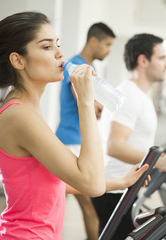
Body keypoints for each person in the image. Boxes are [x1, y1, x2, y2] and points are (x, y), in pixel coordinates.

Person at [0, 12, 149, 240]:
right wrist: (85, 102)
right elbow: (92, 184)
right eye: (47, 47)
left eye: (57, 44)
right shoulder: (19, 116)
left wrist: (121, 182)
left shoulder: (27, 110)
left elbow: (53, 182)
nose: (60, 53)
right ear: (18, 60)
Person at [91, 33, 166, 239]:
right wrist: (160, 162)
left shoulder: (138, 95)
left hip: (122, 188)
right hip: (114, 192)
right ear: (143, 60)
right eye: (161, 58)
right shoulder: (129, 96)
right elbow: (114, 146)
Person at [55, 22, 115, 240]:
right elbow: (83, 96)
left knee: (59, 204)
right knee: (90, 211)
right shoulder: (78, 67)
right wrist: (97, 105)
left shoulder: (84, 66)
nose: (109, 50)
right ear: (93, 40)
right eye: (107, 44)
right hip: (71, 143)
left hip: (74, 141)